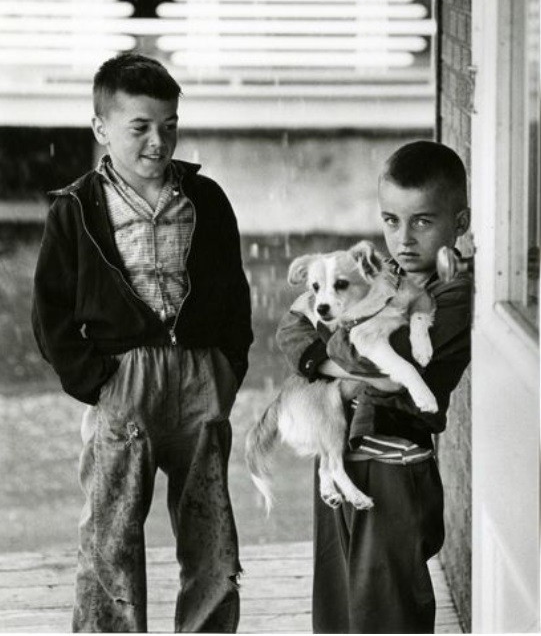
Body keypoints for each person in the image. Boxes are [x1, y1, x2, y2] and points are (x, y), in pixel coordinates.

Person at [32, 52, 253, 633]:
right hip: (123, 384)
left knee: (210, 535)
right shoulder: (76, 209)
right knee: (111, 535)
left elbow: (234, 291)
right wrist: (95, 381)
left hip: (199, 378)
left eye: (170, 125)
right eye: (140, 127)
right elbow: (50, 310)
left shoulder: (205, 200)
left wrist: (227, 367)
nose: (159, 141)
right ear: (101, 128)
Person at [276, 140, 472, 633]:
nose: (403, 239)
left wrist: (337, 348)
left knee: (386, 609)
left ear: (460, 223)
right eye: (390, 220)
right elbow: (291, 325)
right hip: (340, 452)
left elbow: (383, 355)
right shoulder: (378, 276)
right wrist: (340, 368)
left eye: (422, 221)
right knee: (339, 602)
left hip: (394, 462)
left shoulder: (452, 298)